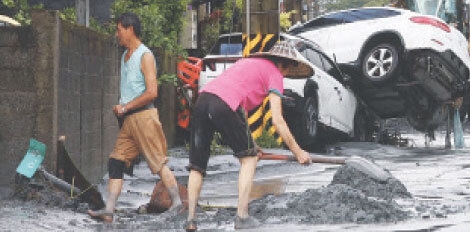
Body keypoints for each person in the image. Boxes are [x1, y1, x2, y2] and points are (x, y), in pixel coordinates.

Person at [184, 41, 313, 231]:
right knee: (249, 159)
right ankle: (242, 216)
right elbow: (277, 119)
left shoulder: (248, 63)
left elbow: (239, 112)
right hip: (224, 104)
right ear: (287, 64)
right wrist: (298, 151)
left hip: (203, 101)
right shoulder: (275, 74)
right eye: (289, 71)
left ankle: (191, 220)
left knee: (197, 166)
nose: (286, 76)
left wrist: (250, 143)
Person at [88, 12, 184, 222]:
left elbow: (152, 92)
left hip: (144, 117)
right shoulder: (125, 56)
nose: (117, 34)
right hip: (130, 120)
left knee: (158, 162)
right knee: (116, 162)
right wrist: (123, 108)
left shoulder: (145, 55)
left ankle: (177, 204)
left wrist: (126, 107)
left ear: (130, 29)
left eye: (119, 29)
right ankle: (109, 211)